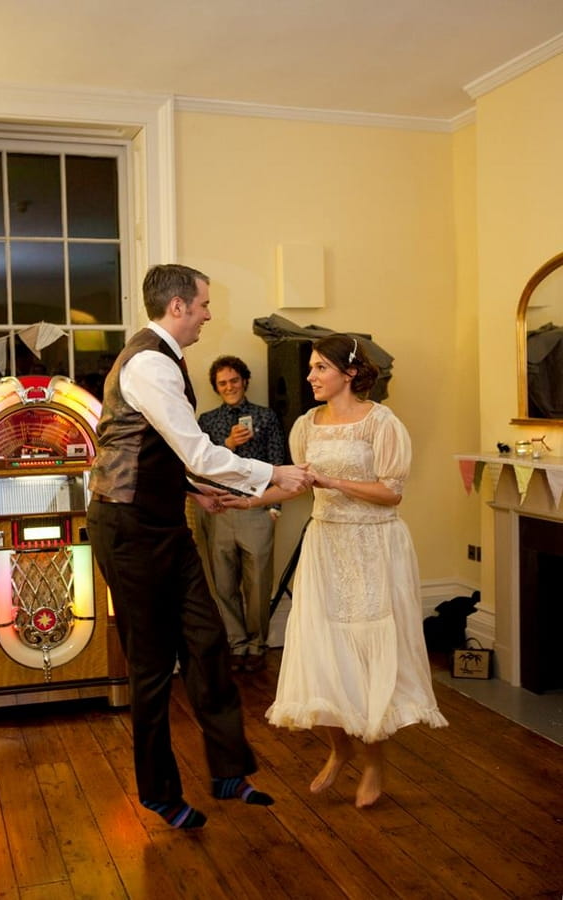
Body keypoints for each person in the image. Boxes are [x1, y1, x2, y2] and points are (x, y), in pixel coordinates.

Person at [86, 263, 312, 830]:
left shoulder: (164, 361)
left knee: (208, 643)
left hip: (165, 522)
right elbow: (197, 452)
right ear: (179, 306)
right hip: (128, 527)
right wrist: (273, 475)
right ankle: (160, 793)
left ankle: (228, 771)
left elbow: (160, 453)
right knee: (153, 664)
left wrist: (198, 494)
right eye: (205, 304)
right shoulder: (148, 363)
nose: (210, 314)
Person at [222, 333, 447, 808]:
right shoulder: (306, 425)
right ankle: (339, 749)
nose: (310, 377)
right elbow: (297, 486)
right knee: (321, 651)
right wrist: (245, 498)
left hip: (373, 547)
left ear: (348, 372)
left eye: (320, 368)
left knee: (367, 656)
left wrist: (331, 479)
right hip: (326, 544)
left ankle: (374, 764)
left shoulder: (382, 423)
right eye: (310, 368)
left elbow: (391, 492)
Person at [198, 356, 285, 673]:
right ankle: (236, 645)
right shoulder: (206, 421)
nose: (229, 387)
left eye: (234, 380)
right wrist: (228, 444)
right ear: (216, 388)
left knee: (258, 584)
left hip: (257, 508)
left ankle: (257, 644)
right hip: (219, 509)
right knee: (223, 584)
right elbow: (200, 465)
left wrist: (275, 507)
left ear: (244, 381)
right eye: (222, 383)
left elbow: (278, 460)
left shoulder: (266, 416)